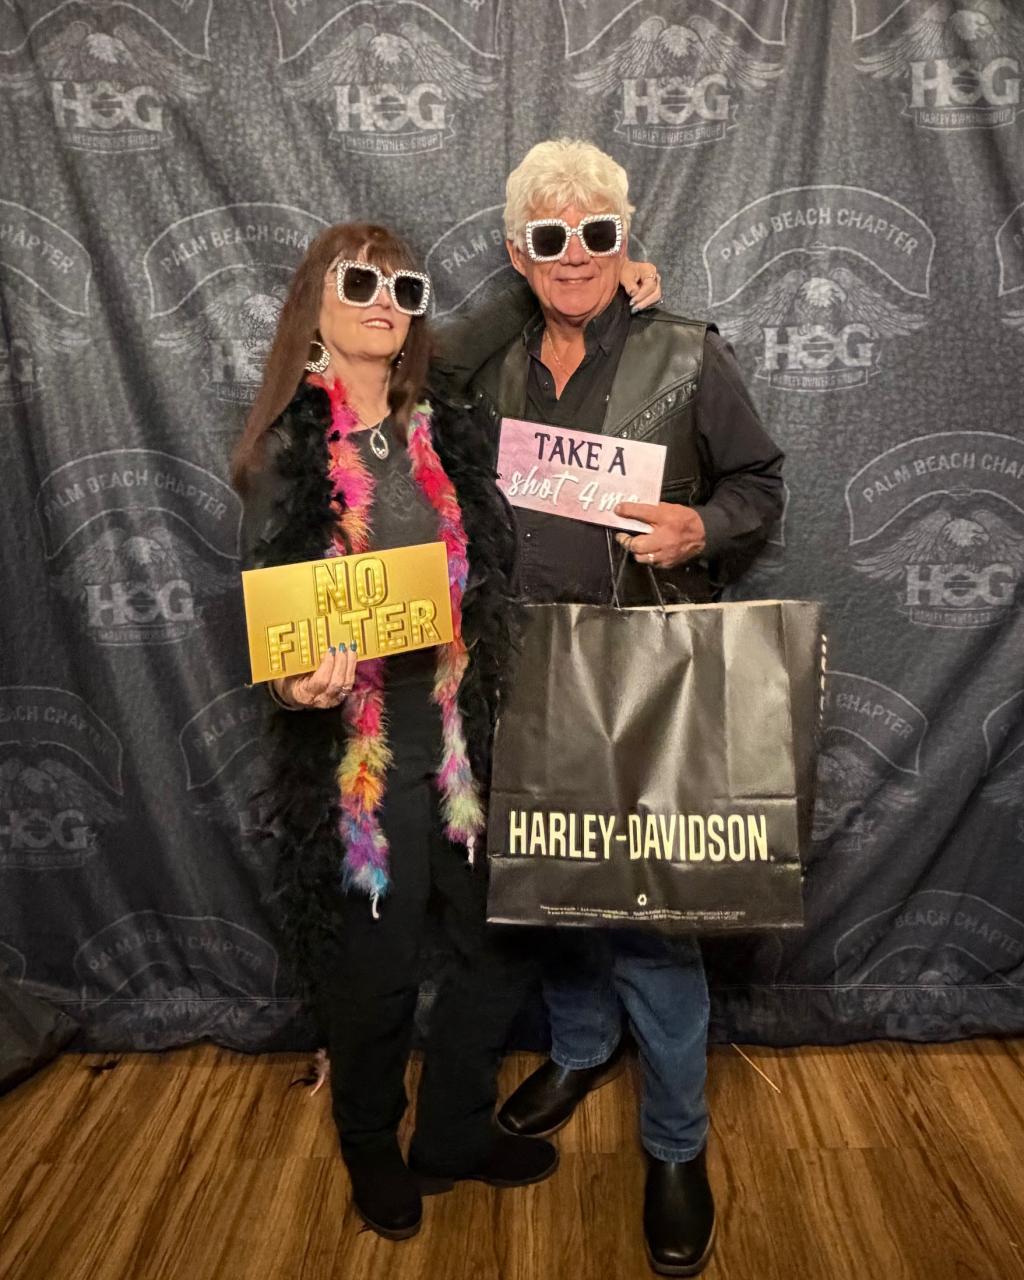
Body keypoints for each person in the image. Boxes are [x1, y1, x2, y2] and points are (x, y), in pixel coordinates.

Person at [232, 221, 661, 1242]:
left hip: (465, 728)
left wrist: (608, 278)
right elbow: (272, 610)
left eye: (404, 288)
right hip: (360, 751)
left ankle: (454, 1130)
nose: (386, 302)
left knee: (498, 942)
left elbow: (512, 305)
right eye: (360, 283)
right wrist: (297, 686)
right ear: (314, 303)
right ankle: (370, 1143)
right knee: (376, 974)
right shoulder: (288, 448)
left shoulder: (442, 420)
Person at [469, 139, 786, 1277]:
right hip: (523, 671)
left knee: (654, 914)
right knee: (555, 889)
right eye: (549, 237)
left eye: (596, 233)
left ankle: (676, 1144)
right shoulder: (486, 365)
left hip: (648, 673)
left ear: (624, 240)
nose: (575, 255)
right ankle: (579, 1048)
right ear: (519, 252)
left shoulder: (686, 353)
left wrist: (702, 526)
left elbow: (758, 482)